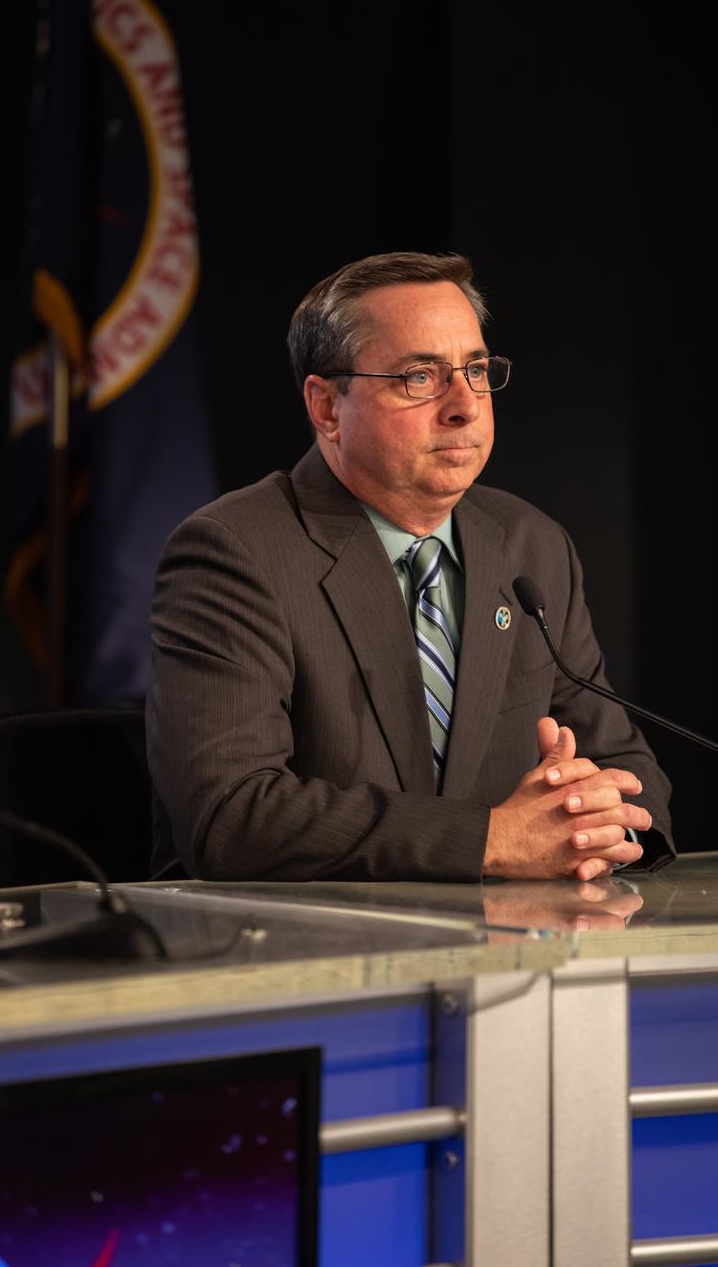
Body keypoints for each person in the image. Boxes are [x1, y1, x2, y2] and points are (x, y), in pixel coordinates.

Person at [146, 251, 674, 882]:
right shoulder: (235, 552)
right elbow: (232, 817)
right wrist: (492, 840)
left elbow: (627, 770)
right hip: (293, 957)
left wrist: (594, 818)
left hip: (510, 953)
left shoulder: (530, 544)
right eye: (419, 378)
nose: (465, 407)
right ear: (327, 408)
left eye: (476, 370)